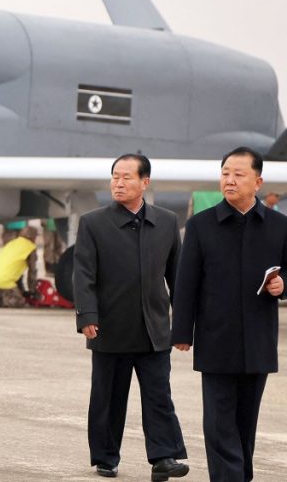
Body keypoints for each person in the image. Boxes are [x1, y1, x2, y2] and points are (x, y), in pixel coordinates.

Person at [73, 153, 188, 481]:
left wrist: (183, 324)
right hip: (110, 328)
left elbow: (177, 277)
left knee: (159, 396)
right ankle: (106, 457)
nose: (119, 183)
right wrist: (87, 315)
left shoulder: (166, 222)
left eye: (126, 177)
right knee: (108, 398)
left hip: (154, 330)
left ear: (144, 182)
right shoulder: (93, 223)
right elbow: (84, 275)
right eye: (115, 177)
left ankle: (164, 458)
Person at [172, 147, 285, 482]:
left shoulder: (279, 226)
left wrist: (284, 285)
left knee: (245, 423)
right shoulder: (200, 226)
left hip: (258, 340)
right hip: (216, 338)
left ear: (258, 182)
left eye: (238, 174)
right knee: (219, 422)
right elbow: (186, 283)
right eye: (225, 174)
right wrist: (182, 332)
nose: (229, 180)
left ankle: (240, 476)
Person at [0, 225, 38, 307]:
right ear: (34, 237)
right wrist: (32, 290)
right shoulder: (30, 248)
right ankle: (2, 300)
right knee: (21, 302)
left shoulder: (12, 243)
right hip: (4, 279)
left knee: (5, 283)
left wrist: (21, 290)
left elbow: (16, 271)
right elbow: (32, 272)